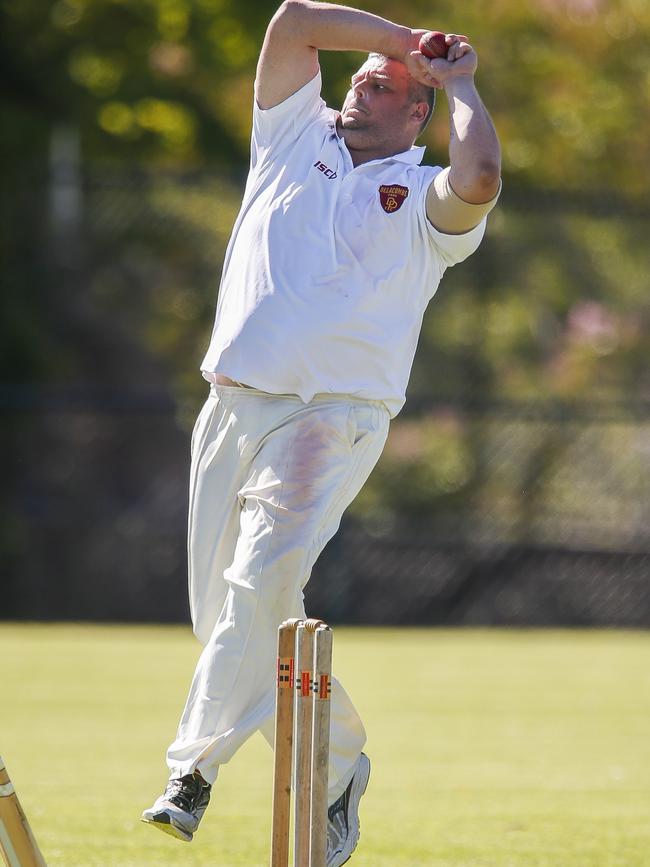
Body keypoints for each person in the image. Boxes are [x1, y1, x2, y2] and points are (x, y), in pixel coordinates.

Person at [142, 1, 501, 864]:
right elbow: (296, 20)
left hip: (332, 415)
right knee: (232, 613)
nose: (359, 84)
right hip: (232, 403)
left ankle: (190, 770)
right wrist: (400, 44)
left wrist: (458, 82)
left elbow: (481, 176)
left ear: (415, 114)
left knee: (261, 575)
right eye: (359, 74)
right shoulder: (289, 139)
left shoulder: (421, 195)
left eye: (380, 86)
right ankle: (340, 767)